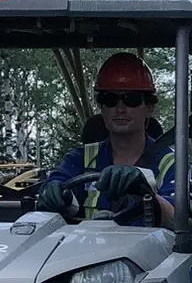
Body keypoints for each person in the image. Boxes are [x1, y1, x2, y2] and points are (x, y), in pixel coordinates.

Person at [34, 52, 180, 227]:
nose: (120, 109)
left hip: (149, 253)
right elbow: (58, 183)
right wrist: (53, 192)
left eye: (131, 100)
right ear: (101, 107)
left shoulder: (170, 163)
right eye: (110, 99)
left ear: (149, 107)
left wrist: (145, 193)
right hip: (85, 251)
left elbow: (178, 217)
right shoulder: (79, 159)